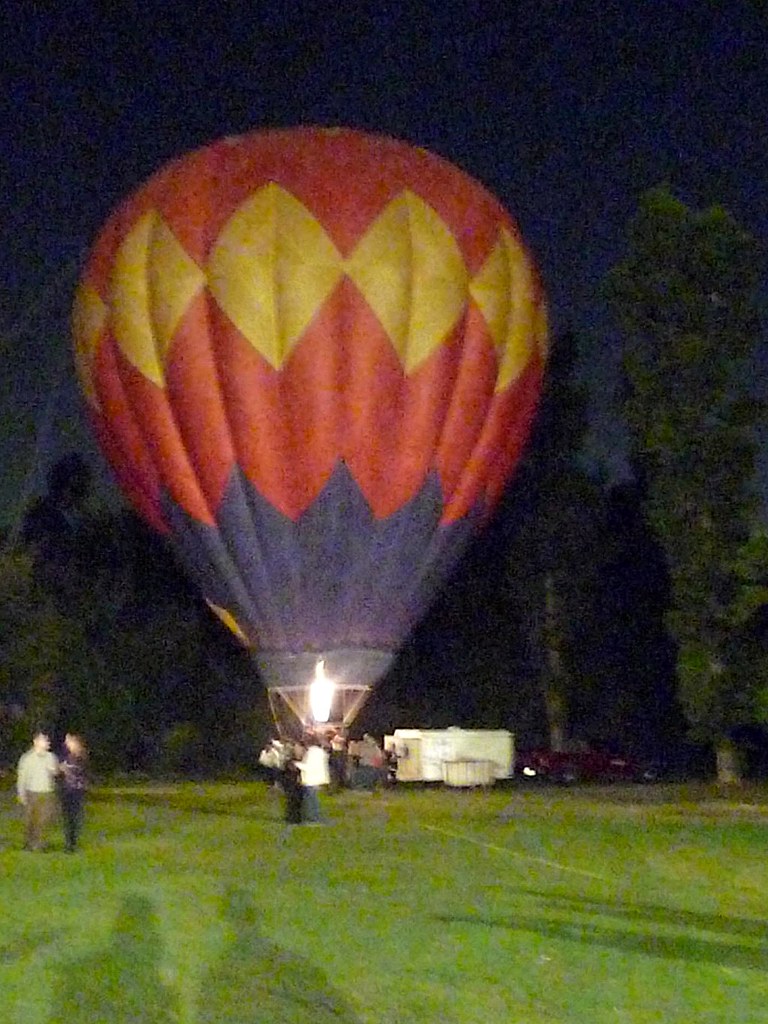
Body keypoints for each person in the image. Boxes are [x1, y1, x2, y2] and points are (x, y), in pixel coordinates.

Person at [16, 731, 60, 851]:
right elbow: (22, 777)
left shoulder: (51, 757)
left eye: (47, 740)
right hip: (32, 792)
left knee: (44, 819)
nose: (47, 742)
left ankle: (40, 844)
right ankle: (29, 843)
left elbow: (56, 773)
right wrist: (21, 794)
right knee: (30, 819)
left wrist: (55, 770)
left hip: (46, 792)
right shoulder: (27, 758)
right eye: (44, 740)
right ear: (36, 742)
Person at [58, 733, 89, 852]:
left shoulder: (81, 755)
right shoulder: (68, 756)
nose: (66, 742)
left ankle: (72, 843)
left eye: (68, 740)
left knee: (74, 817)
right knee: (67, 818)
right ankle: (69, 842)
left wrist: (66, 769)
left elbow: (80, 771)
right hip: (66, 790)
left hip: (76, 790)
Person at [295, 733, 330, 823]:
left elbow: (309, 767)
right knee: (314, 799)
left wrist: (296, 764)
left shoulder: (311, 753)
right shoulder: (319, 751)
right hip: (317, 778)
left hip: (311, 779)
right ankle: (314, 817)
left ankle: (312, 818)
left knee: (310, 800)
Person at [281, 740, 305, 824]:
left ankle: (295, 818)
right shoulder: (291, 761)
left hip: (296, 783)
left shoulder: (301, 760)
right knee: (292, 800)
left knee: (297, 801)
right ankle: (292, 818)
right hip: (292, 783)